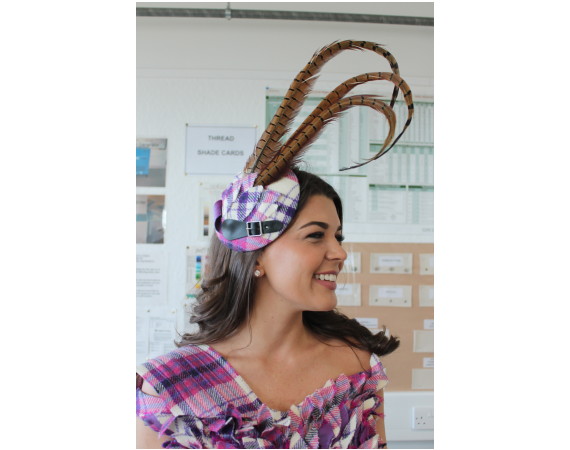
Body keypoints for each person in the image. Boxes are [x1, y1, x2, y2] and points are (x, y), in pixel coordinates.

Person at [136, 40, 414, 449]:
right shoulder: (169, 388)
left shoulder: (355, 369)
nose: (339, 253)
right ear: (256, 253)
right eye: (315, 235)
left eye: (338, 236)